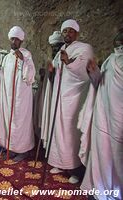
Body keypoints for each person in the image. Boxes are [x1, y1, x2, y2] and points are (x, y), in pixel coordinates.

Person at [47, 19, 94, 184]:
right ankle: (61, 163)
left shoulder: (85, 48)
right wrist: (52, 69)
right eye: (64, 31)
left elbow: (83, 73)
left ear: (77, 33)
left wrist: (68, 63)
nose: (67, 34)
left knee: (70, 133)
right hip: (59, 98)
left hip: (74, 99)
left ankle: (76, 169)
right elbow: (55, 68)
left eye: (70, 31)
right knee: (59, 132)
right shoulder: (62, 49)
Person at [79, 30, 123, 200]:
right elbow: (99, 83)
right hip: (103, 116)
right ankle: (99, 188)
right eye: (117, 36)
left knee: (118, 156)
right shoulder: (109, 60)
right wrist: (93, 71)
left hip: (119, 118)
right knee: (102, 151)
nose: (118, 38)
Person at [0, 26, 35, 162]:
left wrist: (22, 60)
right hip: (9, 97)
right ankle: (11, 147)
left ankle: (23, 150)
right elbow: (4, 76)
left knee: (20, 123)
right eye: (12, 39)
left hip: (21, 98)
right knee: (9, 122)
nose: (14, 41)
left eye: (17, 39)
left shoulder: (26, 54)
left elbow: (30, 77)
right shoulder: (7, 57)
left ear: (21, 41)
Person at [41, 31, 64, 149]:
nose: (55, 49)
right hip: (51, 93)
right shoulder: (55, 59)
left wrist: (52, 73)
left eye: (58, 46)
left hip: (60, 96)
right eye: (53, 47)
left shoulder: (62, 58)